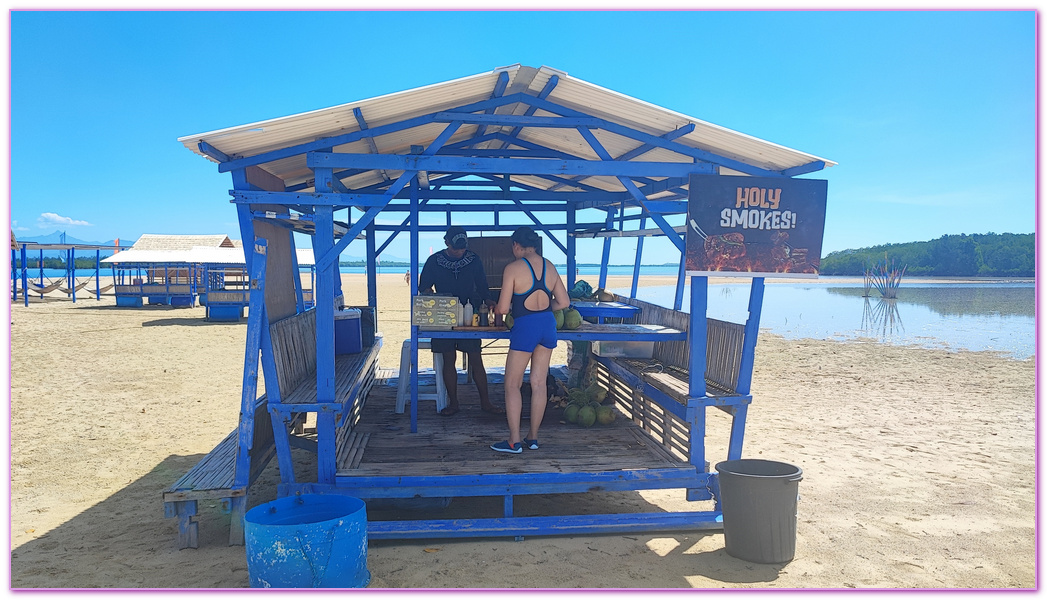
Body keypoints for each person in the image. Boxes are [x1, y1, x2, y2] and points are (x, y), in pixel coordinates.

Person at [490, 226, 569, 454]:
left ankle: (514, 441)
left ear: (516, 245)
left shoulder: (513, 268)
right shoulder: (550, 266)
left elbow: (504, 308)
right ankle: (532, 438)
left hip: (525, 326)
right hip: (547, 326)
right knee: (538, 383)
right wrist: (545, 309)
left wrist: (498, 309)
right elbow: (563, 302)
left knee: (512, 385)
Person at [418, 226, 503, 417]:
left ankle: (485, 402)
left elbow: (482, 285)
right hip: (443, 314)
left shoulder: (473, 259)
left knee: (475, 357)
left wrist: (489, 301)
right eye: (456, 248)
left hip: (469, 314)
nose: (459, 251)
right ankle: (454, 403)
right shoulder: (434, 260)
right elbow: (424, 286)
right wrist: (431, 297)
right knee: (448, 359)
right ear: (446, 242)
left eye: (462, 248)